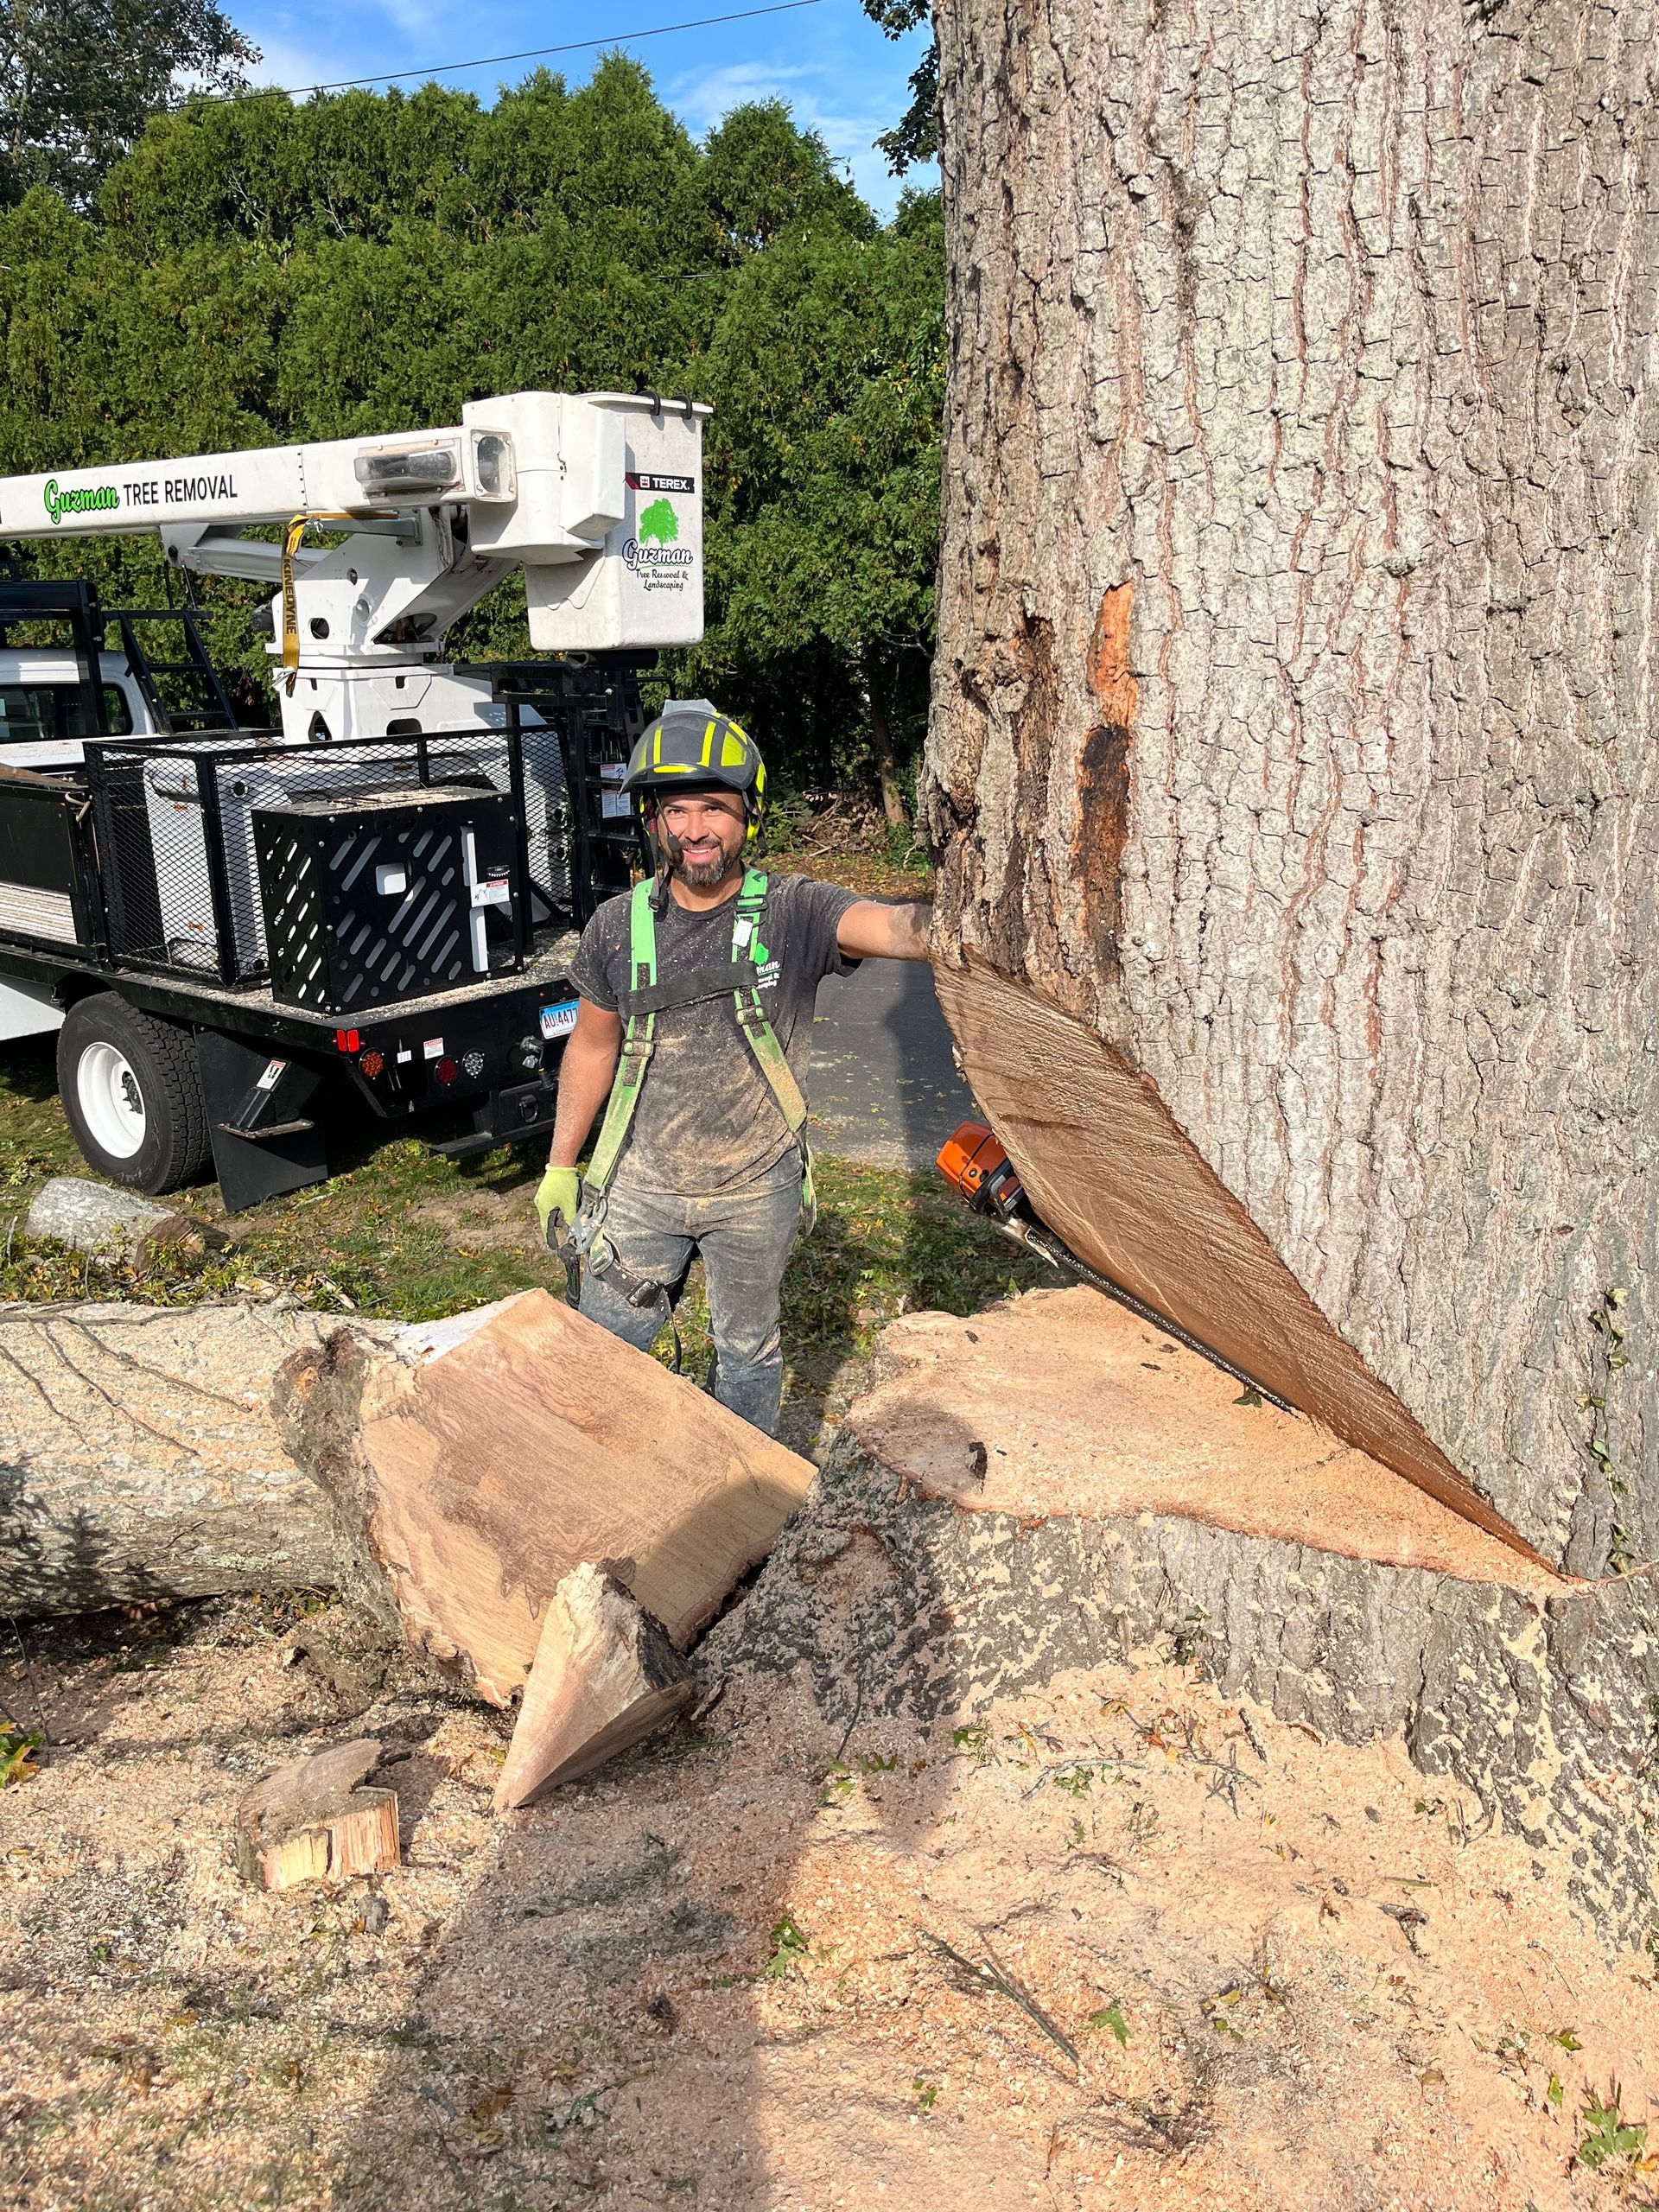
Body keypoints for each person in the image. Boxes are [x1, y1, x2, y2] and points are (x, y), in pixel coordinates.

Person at [534, 702, 931, 1436]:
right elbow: (591, 1046)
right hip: (641, 1189)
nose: (693, 829)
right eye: (675, 809)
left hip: (757, 1188)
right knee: (603, 1355)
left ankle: (742, 1501)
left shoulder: (795, 912)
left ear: (748, 814)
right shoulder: (617, 928)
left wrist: (972, 921)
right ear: (652, 821)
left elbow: (891, 929)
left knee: (747, 1355)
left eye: (712, 807)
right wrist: (563, 1165)